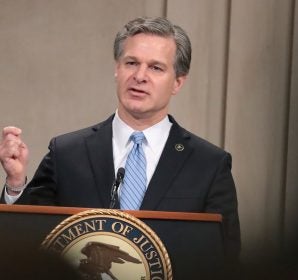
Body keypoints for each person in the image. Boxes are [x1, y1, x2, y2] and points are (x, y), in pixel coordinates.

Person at [0, 17, 240, 275]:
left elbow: (226, 259)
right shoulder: (67, 153)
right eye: (131, 63)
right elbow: (25, 244)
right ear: (117, 69)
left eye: (156, 68)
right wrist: (15, 183)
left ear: (178, 82)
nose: (140, 76)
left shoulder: (208, 164)